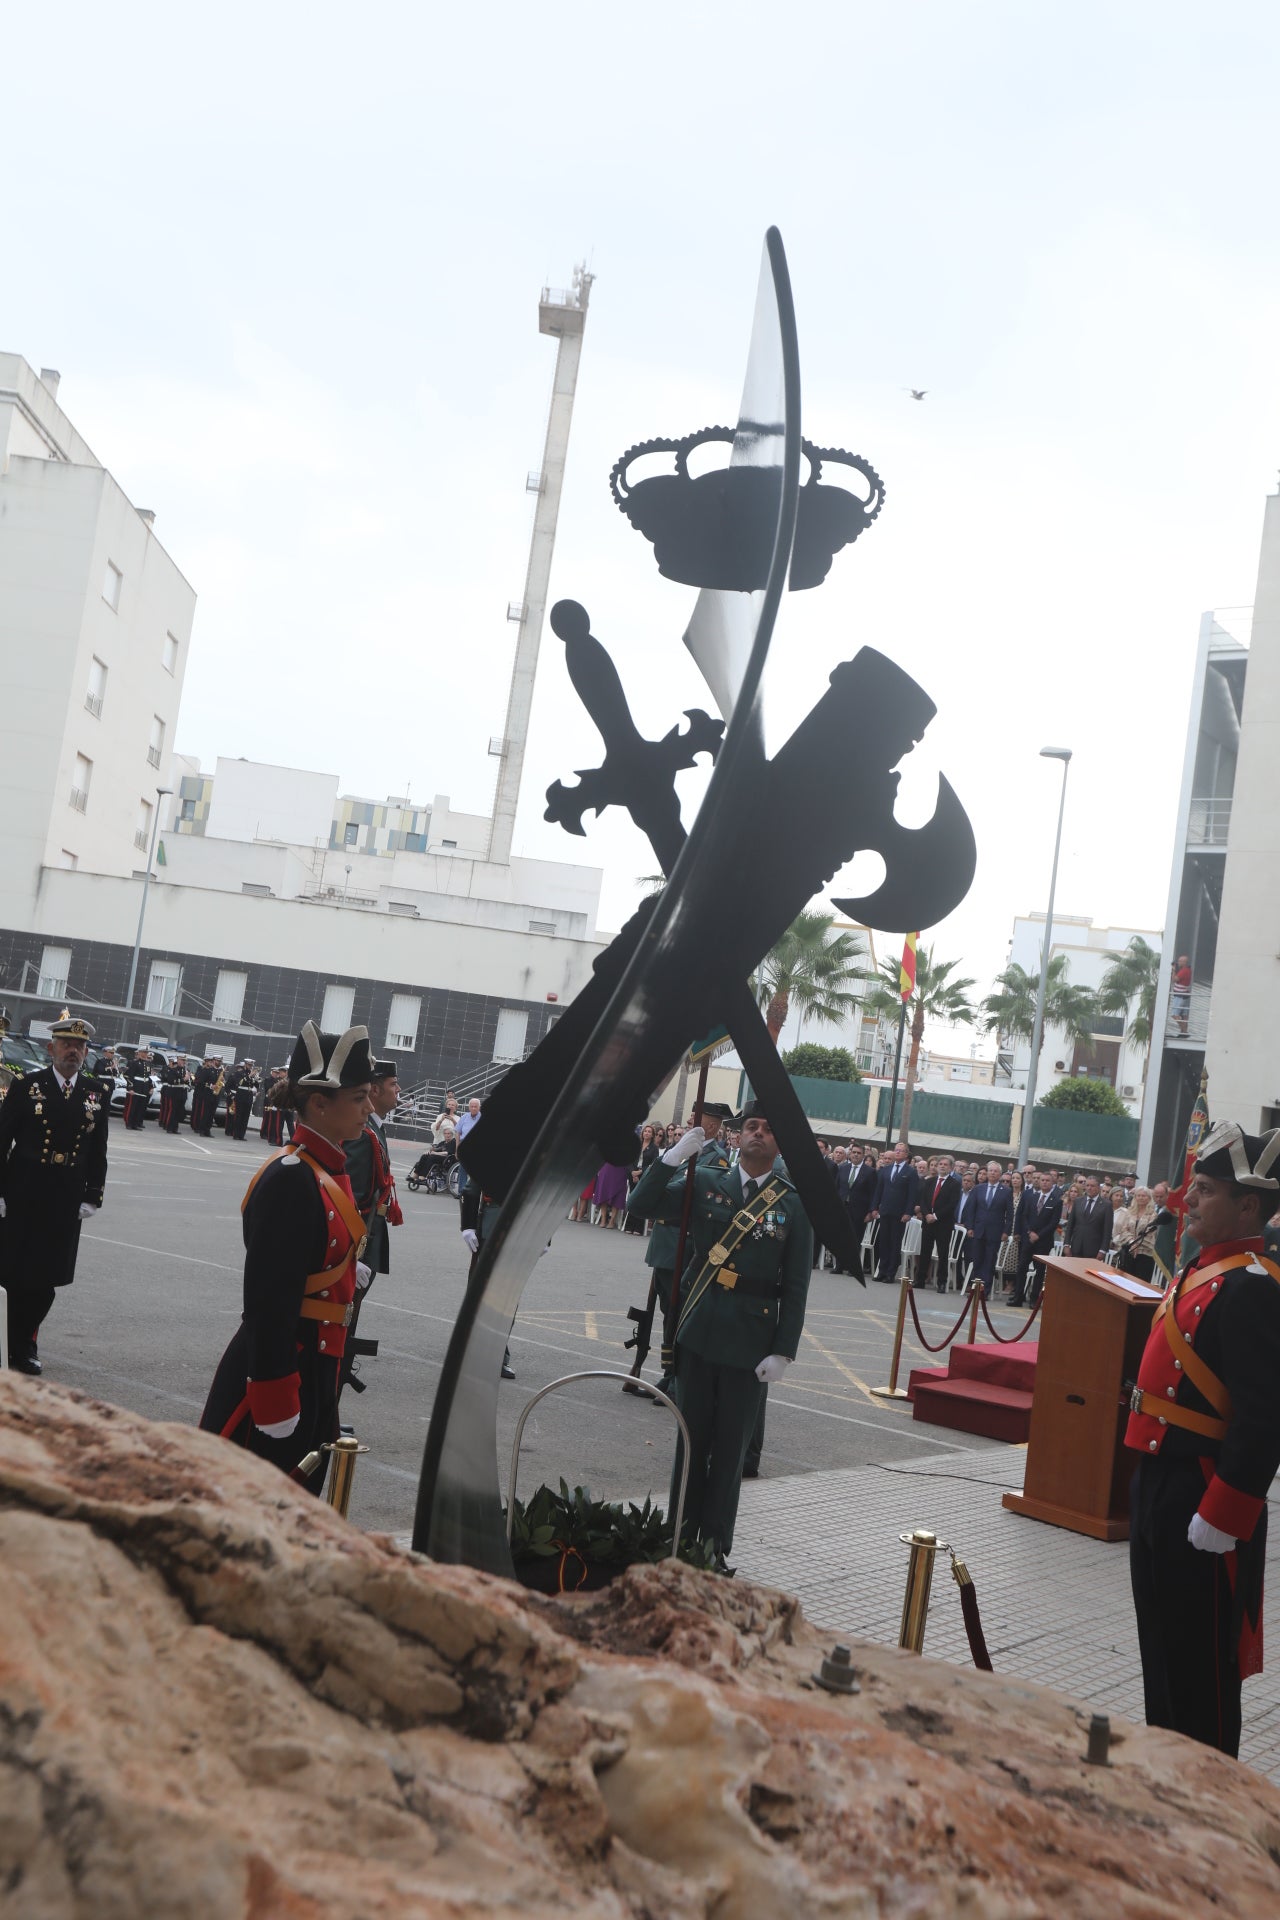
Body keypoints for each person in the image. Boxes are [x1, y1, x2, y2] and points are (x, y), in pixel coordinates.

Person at [1125, 1121, 1280, 1757]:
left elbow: (1264, 1416)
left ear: (1249, 1207)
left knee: (1202, 1673)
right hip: (1160, 1482)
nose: (1186, 1198)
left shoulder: (1253, 1287)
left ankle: (1207, 1794)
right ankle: (1164, 1785)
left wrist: (1225, 1512)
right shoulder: (1201, 1268)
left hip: (1203, 1491)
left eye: (1206, 1189)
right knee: (1161, 1655)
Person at [628, 1100, 812, 1565]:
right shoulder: (707, 1181)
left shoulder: (793, 1203)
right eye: (751, 1126)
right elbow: (640, 1205)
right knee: (690, 1443)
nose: (758, 1133)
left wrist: (784, 1351)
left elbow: (796, 1286)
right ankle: (678, 1538)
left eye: (768, 1128)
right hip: (699, 1329)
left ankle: (713, 1548)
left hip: (750, 1342)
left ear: (779, 1144)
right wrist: (672, 1158)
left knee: (730, 1452)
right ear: (736, 1135)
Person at [199, 1021, 373, 1489]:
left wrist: (341, 1270)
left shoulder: (321, 1167)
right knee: (258, 1502)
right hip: (287, 1364)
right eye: (359, 1097)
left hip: (317, 1361)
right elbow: (268, 1301)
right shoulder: (292, 1177)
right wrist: (274, 1392)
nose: (369, 1108)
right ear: (319, 1103)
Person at [0, 1010, 109, 1374]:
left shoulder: (96, 1093)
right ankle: (5, 1342)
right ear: (51, 1048)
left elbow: (98, 1150)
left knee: (46, 1280)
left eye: (79, 1045)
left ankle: (24, 1343)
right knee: (11, 1272)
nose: (72, 1051)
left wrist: (93, 1194)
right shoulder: (27, 1085)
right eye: (66, 1044)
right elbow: (2, 1140)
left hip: (65, 1196)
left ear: (86, 1052)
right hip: (23, 1190)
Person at [641, 1104, 733, 1397]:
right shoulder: (683, 1148)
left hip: (685, 1243)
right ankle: (670, 1375)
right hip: (665, 1244)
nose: (690, 1119)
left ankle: (677, 1379)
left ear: (713, 1126)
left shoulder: (715, 1158)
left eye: (698, 1116)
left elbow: (693, 1199)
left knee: (680, 1314)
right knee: (668, 1312)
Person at [869, 1140, 921, 1283]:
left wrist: (908, 1212)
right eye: (896, 1149)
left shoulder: (910, 1172)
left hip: (899, 1213)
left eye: (901, 1150)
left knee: (894, 1243)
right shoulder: (886, 1169)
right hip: (885, 1210)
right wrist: (874, 1207)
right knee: (883, 1242)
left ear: (906, 1154)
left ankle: (890, 1273)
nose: (897, 1152)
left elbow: (912, 1194)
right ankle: (882, 1271)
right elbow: (879, 1190)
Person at [1015, 1170, 1063, 1306]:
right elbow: (1024, 1216)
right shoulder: (1032, 1197)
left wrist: (1039, 1235)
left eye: (1047, 1180)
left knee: (1040, 1271)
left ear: (1052, 1183)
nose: (1044, 1183)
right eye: (1042, 1180)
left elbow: (1053, 1223)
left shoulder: (1056, 1201)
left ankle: (1034, 1299)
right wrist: (1029, 1232)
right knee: (1022, 1267)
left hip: (1043, 1241)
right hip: (1028, 1239)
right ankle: (1018, 1297)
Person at [966, 1159, 1013, 1295]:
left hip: (995, 1231)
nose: (992, 1173)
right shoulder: (978, 1189)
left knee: (989, 1261)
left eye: (995, 1171)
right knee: (977, 1260)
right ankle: (975, 1288)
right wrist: (970, 1227)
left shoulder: (1006, 1191)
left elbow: (1010, 1214)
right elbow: (971, 1209)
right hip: (978, 1230)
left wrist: (1006, 1231)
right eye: (990, 1171)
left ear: (1000, 1174)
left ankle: (984, 1291)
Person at [915, 1154, 959, 1291]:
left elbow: (952, 1204)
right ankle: (920, 1280)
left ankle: (941, 1282)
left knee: (942, 1253)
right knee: (925, 1251)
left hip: (943, 1224)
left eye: (945, 1165)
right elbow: (923, 1200)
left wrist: (935, 1216)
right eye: (940, 1164)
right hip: (928, 1222)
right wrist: (927, 1214)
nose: (942, 1166)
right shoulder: (929, 1181)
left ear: (951, 1168)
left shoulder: (954, 1184)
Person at [1065, 1173, 1113, 1259]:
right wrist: (1066, 1244)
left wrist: (1103, 1250)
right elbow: (1070, 1225)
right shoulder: (1078, 1201)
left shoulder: (1106, 1205)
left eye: (1092, 1186)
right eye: (1087, 1185)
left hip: (1094, 1250)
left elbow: (1107, 1231)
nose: (1089, 1188)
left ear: (1099, 1188)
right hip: (1075, 1247)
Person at [225, 1059, 259, 1140]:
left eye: (251, 1065)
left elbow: (256, 1086)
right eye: (249, 1065)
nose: (250, 1067)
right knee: (239, 1115)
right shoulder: (239, 1073)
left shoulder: (251, 1074)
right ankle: (236, 1134)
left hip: (249, 1095)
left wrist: (256, 1079)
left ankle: (241, 1135)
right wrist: (249, 1076)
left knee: (245, 1116)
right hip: (241, 1095)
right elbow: (239, 1083)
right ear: (245, 1065)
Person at [190, 1055, 221, 1137]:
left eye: (220, 1061)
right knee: (205, 1113)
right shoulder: (207, 1070)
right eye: (218, 1061)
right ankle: (202, 1130)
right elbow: (200, 1082)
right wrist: (211, 1086)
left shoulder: (219, 1071)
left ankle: (208, 1130)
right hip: (207, 1094)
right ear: (214, 1061)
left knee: (211, 1114)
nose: (219, 1062)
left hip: (215, 1095)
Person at [158, 1053, 190, 1133]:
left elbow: (189, 1082)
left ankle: (175, 1128)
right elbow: (171, 1081)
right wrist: (183, 1080)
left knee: (179, 1112)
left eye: (185, 1060)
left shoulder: (186, 1071)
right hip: (174, 1093)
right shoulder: (173, 1070)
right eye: (182, 1060)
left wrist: (188, 1080)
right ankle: (169, 1127)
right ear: (178, 1060)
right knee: (172, 1111)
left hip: (182, 1093)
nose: (183, 1062)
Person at [123, 1047, 152, 1129]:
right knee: (132, 1106)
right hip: (136, 1086)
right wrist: (130, 1088)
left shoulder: (148, 1063)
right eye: (143, 1052)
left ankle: (135, 1124)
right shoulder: (134, 1063)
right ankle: (129, 1123)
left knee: (140, 1107)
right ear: (139, 1053)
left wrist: (150, 1087)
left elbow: (148, 1077)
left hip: (144, 1087)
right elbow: (130, 1076)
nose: (145, 1054)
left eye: (146, 1052)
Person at [1170, 954, 1192, 1036]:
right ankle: (1183, 1032)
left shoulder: (1184, 971)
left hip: (1180, 996)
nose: (1178, 962)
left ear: (1184, 962)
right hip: (1184, 995)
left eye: (1180, 961)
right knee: (1184, 1015)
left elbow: (1174, 979)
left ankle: (1184, 1031)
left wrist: (1173, 970)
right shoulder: (1187, 970)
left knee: (1174, 1015)